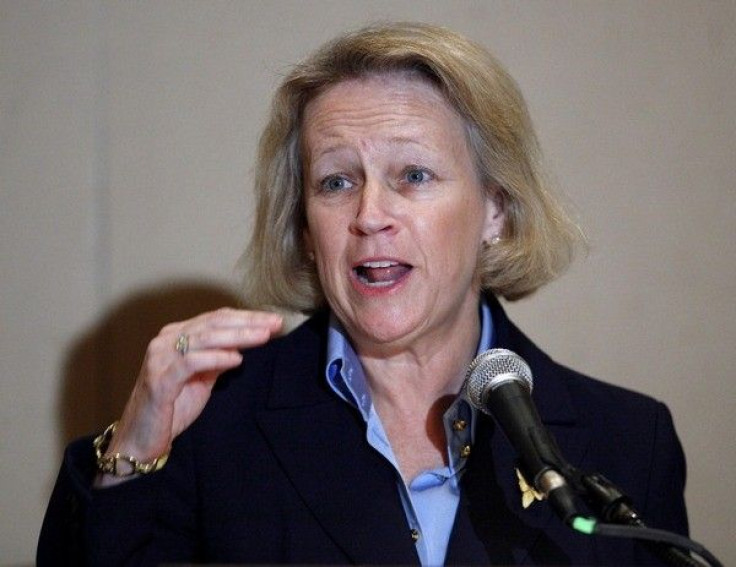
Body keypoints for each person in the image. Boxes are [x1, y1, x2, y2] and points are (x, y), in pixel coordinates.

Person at [38, 22, 688, 566]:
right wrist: (134, 450)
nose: (370, 213)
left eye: (412, 174)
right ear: (305, 225)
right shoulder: (213, 425)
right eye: (336, 182)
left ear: (496, 209)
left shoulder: (628, 442)